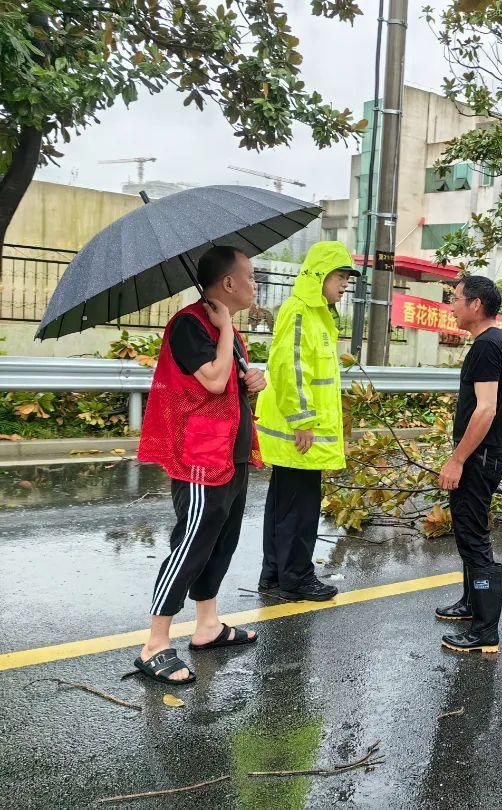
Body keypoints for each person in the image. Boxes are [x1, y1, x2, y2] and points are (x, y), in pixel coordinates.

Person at [134, 245, 266, 685]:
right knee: (190, 542)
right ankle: (154, 643)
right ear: (228, 283)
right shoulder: (189, 325)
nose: (254, 284)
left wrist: (253, 383)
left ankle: (207, 626)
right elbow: (210, 381)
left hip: (232, 452)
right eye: (249, 277)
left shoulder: (222, 330)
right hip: (199, 458)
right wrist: (226, 326)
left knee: (220, 541)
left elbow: (230, 387)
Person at [255, 241, 355, 602]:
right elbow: (290, 368)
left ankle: (275, 574)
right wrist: (302, 420)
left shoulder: (317, 313)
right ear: (319, 276)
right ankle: (296, 577)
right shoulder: (300, 312)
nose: (345, 284)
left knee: (285, 505)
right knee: (299, 509)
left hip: (298, 431)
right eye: (340, 276)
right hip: (298, 432)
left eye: (347, 278)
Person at [436, 275, 502, 654]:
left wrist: (456, 460)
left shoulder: (487, 346)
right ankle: (471, 604)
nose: (450, 306)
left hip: (479, 456)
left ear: (476, 305)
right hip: (486, 454)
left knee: (473, 538)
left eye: (455, 299)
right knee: (469, 533)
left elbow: (486, 408)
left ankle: (485, 632)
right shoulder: (499, 341)